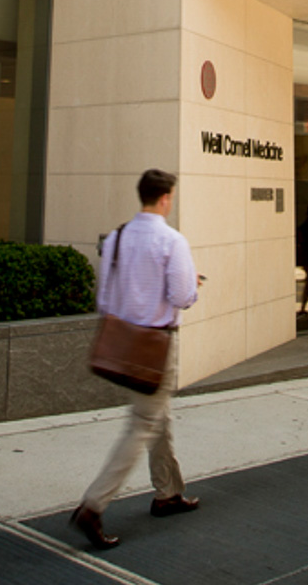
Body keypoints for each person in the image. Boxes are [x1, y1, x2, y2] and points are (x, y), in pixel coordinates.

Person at [71, 169, 201, 550]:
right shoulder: (171, 240)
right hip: (156, 346)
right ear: (165, 198)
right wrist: (195, 287)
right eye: (171, 197)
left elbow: (105, 299)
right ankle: (92, 507)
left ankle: (168, 493)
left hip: (123, 343)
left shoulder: (117, 237)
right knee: (143, 423)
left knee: (155, 416)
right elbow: (182, 296)